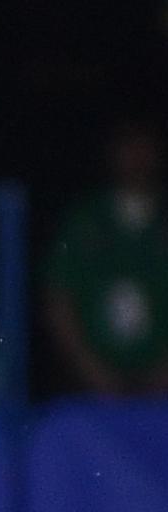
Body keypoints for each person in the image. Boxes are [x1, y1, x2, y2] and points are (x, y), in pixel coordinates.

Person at [44, 118, 168, 397]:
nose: (137, 157)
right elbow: (59, 299)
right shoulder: (84, 220)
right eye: (129, 147)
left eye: (144, 147)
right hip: (95, 386)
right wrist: (91, 369)